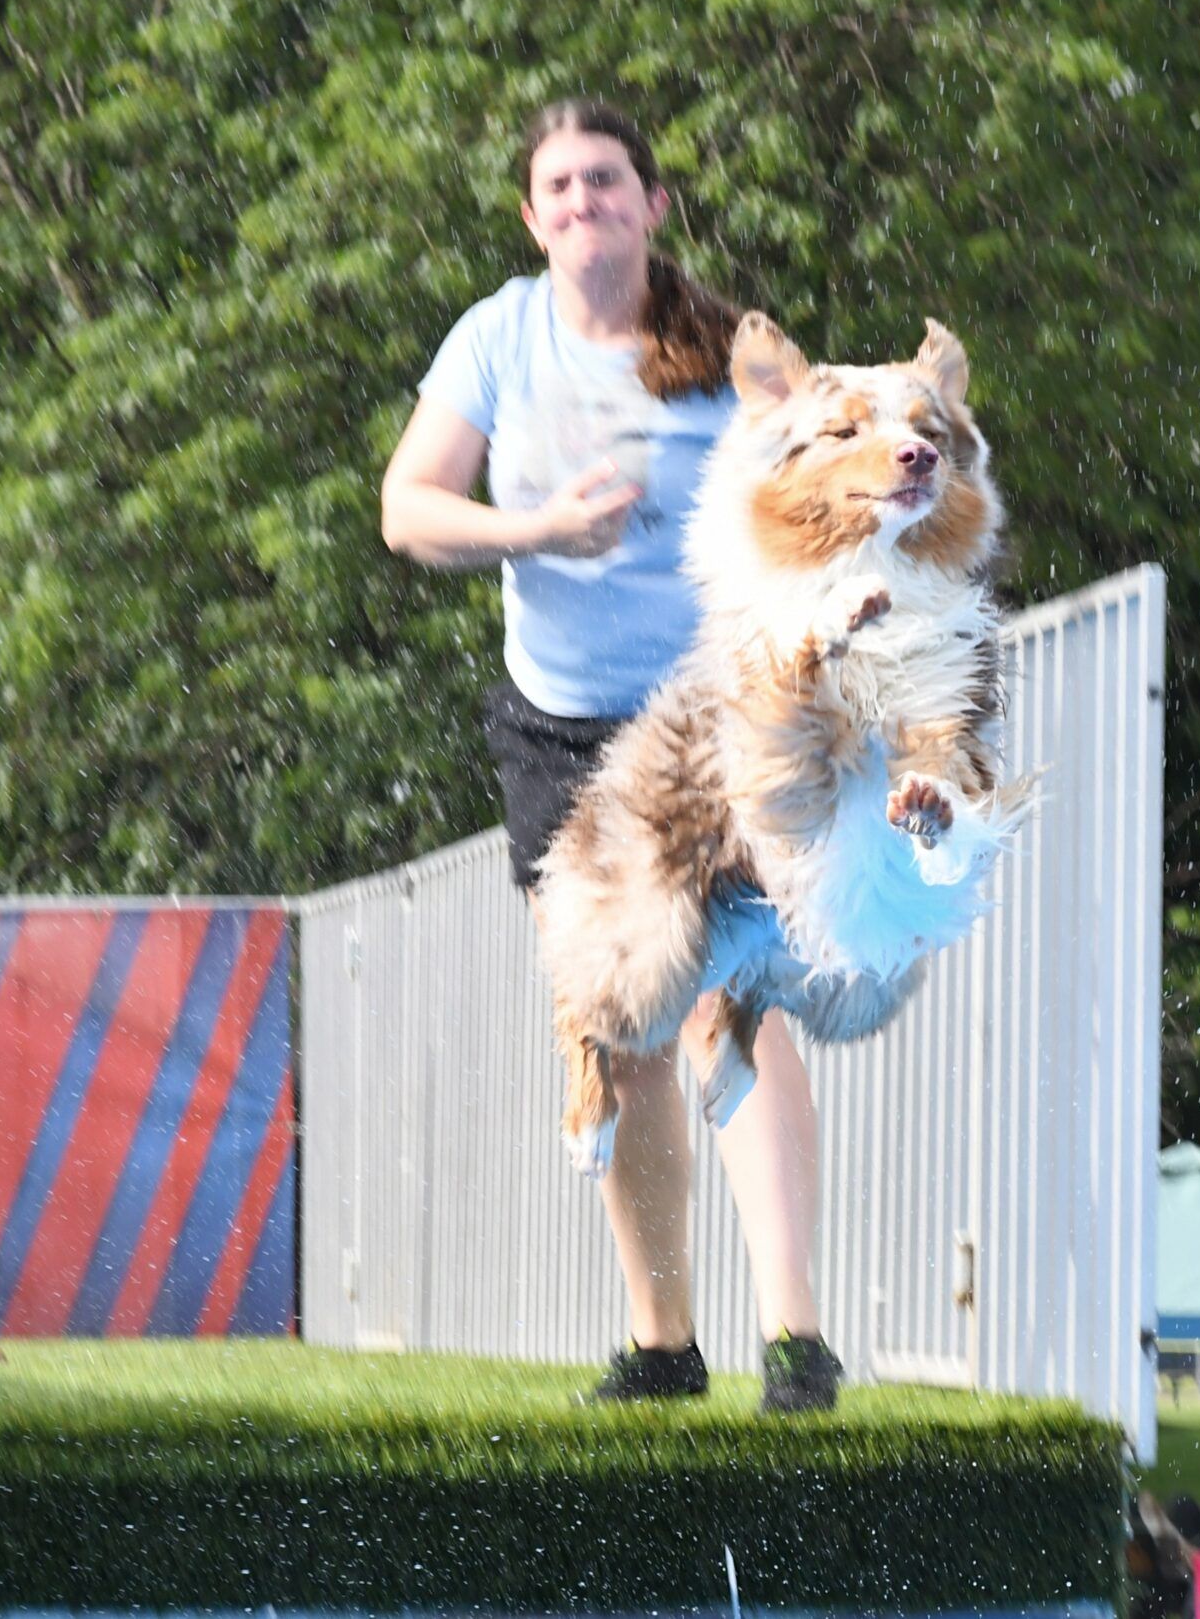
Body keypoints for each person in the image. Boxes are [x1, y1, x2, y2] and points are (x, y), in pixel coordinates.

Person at [381, 98, 841, 1413]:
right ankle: (662, 1341)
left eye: (605, 180)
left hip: (703, 721)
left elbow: (820, 496)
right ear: (534, 220)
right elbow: (409, 511)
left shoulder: (723, 355)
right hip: (560, 730)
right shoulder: (496, 336)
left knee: (726, 999)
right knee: (619, 1032)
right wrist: (535, 528)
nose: (583, 202)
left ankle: (796, 1337)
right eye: (559, 187)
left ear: (652, 204)